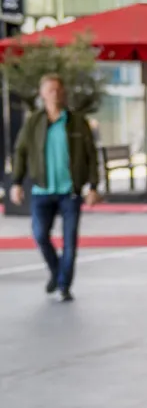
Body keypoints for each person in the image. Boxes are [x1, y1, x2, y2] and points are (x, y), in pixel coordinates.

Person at [7, 73, 100, 302]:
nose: (55, 94)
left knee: (70, 242)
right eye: (50, 90)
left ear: (64, 92)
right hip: (42, 190)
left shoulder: (77, 122)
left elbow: (91, 155)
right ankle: (56, 271)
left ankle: (63, 285)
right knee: (40, 235)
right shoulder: (34, 122)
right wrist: (16, 183)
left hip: (70, 191)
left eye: (58, 90)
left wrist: (93, 186)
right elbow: (21, 152)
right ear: (42, 94)